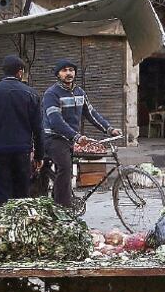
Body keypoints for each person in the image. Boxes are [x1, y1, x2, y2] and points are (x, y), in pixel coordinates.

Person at [42, 58, 121, 208]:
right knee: (65, 168)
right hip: (53, 137)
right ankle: (62, 207)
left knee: (64, 170)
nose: (68, 73)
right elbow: (55, 121)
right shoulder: (51, 94)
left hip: (69, 138)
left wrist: (109, 129)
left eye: (71, 70)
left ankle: (57, 198)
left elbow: (91, 114)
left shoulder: (79, 92)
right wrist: (76, 136)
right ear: (58, 74)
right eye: (64, 70)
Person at [0, 55, 44, 208]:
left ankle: (3, 227)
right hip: (21, 150)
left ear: (3, 72)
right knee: (21, 195)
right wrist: (39, 155)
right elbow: (38, 128)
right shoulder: (31, 93)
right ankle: (19, 227)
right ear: (20, 72)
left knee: (2, 193)